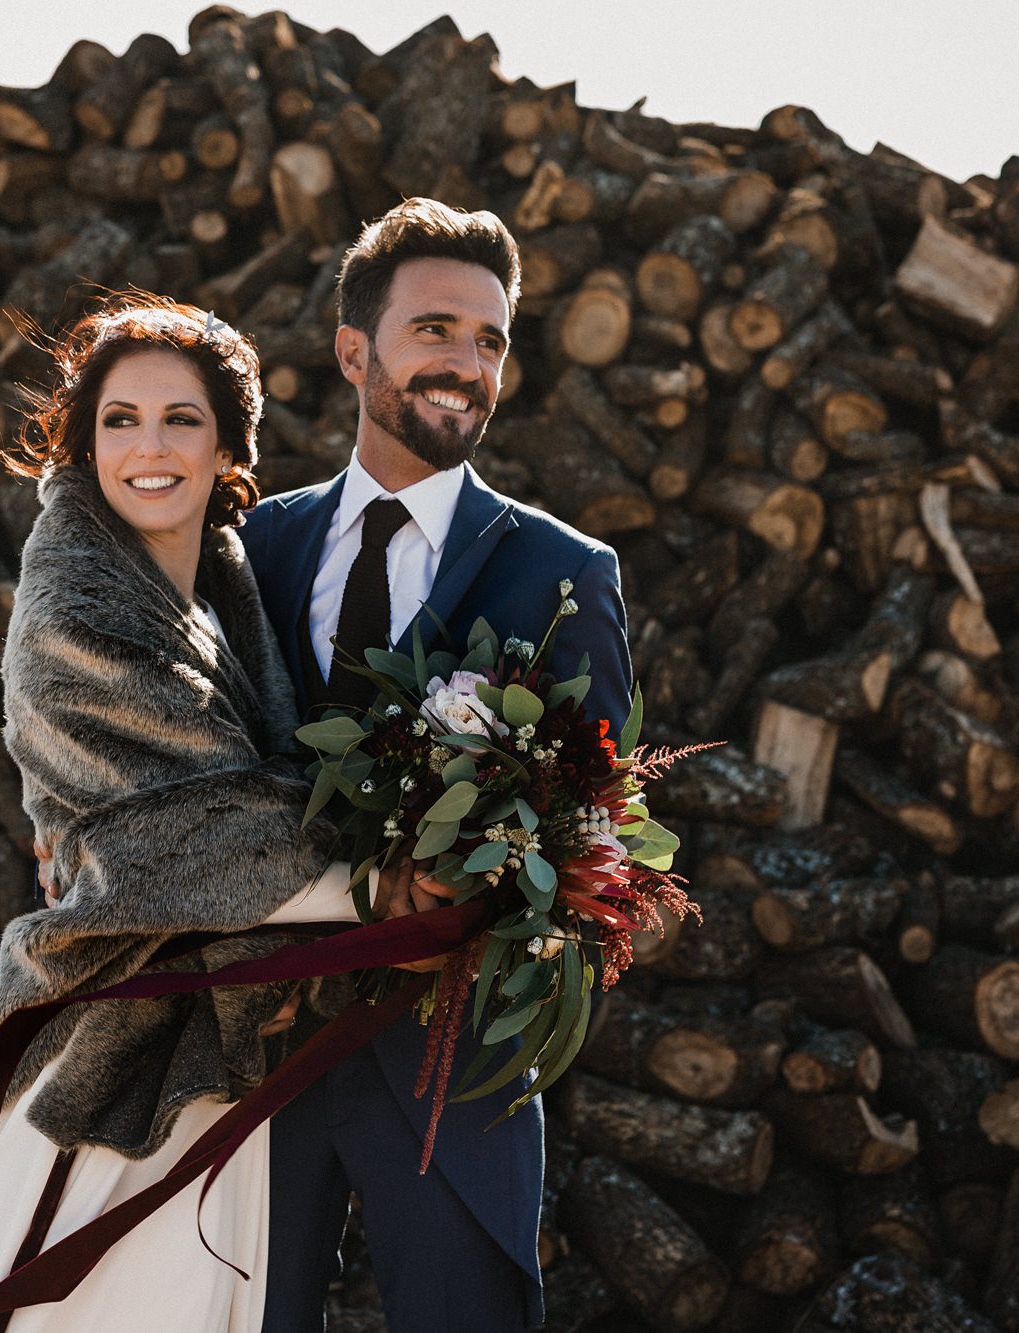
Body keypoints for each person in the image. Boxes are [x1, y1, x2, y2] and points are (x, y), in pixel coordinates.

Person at [0, 296, 368, 1332]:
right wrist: (399, 880)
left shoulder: (216, 586)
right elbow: (197, 841)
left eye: (180, 419)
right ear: (82, 440)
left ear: (229, 443)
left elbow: (241, 804)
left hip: (214, 1031)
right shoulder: (75, 610)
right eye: (118, 419)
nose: (149, 447)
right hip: (106, 1035)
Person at [239, 197, 635, 1332]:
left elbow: (594, 823)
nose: (465, 364)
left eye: (490, 340)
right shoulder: (250, 549)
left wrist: (499, 878)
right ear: (353, 350)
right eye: (434, 332)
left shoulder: (563, 571)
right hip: (250, 1057)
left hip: (449, 1072)